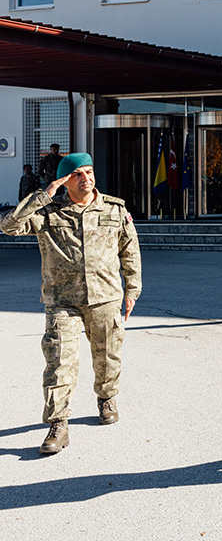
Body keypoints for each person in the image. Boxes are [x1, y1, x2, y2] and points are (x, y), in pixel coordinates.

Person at [1, 152, 141, 455]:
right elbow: (8, 226)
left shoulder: (115, 209)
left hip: (105, 297)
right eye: (77, 174)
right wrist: (44, 194)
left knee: (108, 357)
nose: (86, 178)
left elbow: (129, 250)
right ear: (64, 180)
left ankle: (106, 397)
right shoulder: (47, 212)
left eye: (89, 171)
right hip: (62, 301)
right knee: (59, 362)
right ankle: (58, 424)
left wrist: (132, 290)